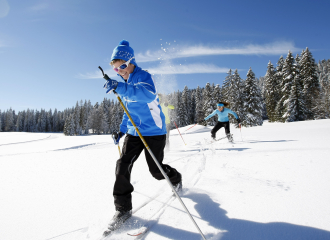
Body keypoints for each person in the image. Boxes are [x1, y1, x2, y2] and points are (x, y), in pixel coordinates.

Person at [102, 40, 182, 235]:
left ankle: (176, 178)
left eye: (122, 66)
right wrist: (122, 130)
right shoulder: (126, 83)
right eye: (115, 69)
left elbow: (146, 95)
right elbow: (126, 110)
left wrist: (120, 88)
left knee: (156, 171)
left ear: (131, 61)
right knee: (122, 165)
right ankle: (123, 210)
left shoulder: (143, 77)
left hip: (154, 131)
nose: (119, 71)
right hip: (134, 132)